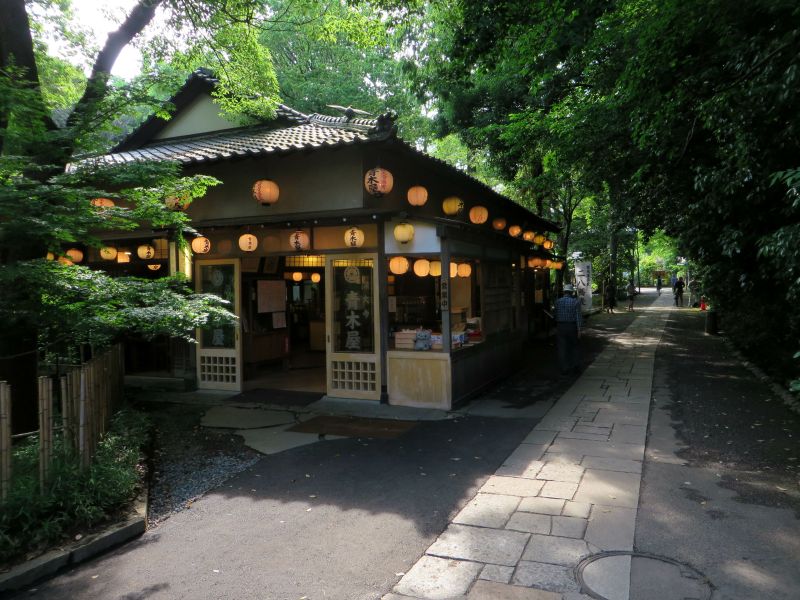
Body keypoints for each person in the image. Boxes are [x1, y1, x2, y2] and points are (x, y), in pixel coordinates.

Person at [554, 283, 582, 375]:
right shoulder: (576, 302)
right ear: (571, 292)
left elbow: (555, 315)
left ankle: (564, 368)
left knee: (562, 348)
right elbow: (578, 317)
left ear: (564, 292)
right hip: (572, 327)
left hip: (560, 326)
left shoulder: (558, 301)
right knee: (574, 347)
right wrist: (579, 330)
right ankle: (574, 366)